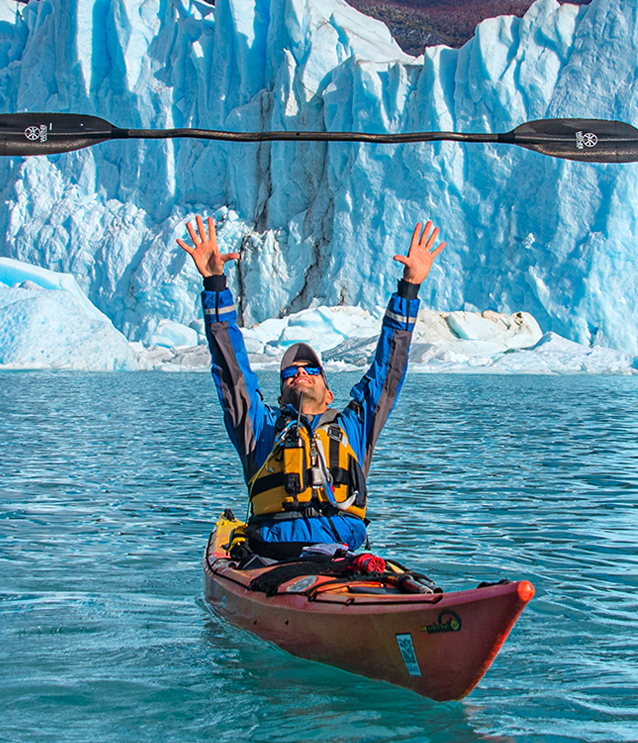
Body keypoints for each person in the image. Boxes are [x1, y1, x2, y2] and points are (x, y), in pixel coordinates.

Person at [179, 216, 445, 560]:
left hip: (342, 557)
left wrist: (409, 289)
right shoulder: (259, 428)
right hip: (272, 561)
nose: (300, 372)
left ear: (329, 394)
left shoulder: (354, 427)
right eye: (290, 371)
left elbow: (388, 371)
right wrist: (215, 284)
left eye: (311, 370)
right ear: (279, 396)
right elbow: (232, 369)